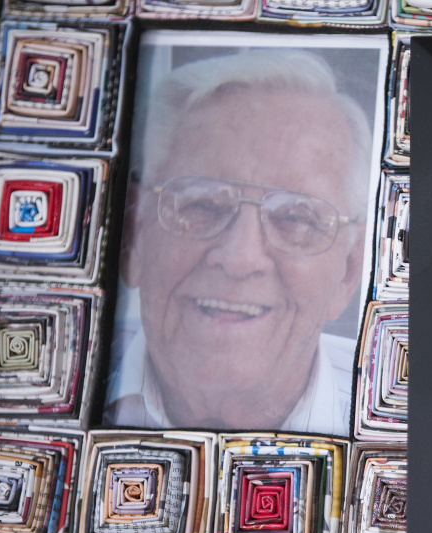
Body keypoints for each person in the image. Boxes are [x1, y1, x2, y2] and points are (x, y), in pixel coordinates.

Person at [103, 50, 372, 435]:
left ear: (348, 270)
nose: (240, 258)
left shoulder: (405, 426)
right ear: (134, 236)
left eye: (296, 217)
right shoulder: (61, 382)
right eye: (202, 204)